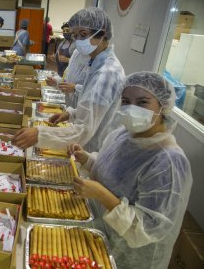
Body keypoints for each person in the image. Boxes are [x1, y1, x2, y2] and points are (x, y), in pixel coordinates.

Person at [69, 72, 192, 269]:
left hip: (128, 257)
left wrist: (100, 194)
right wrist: (87, 159)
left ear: (163, 107)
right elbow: (111, 172)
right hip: (98, 239)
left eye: (142, 102)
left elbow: (144, 231)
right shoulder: (123, 135)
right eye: (126, 101)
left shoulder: (168, 162)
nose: (131, 108)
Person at [12, 7, 125, 153]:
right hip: (86, 144)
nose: (78, 41)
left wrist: (40, 134)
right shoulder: (95, 62)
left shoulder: (107, 73)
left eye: (83, 34)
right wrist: (71, 114)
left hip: (94, 148)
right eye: (76, 35)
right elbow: (93, 107)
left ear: (102, 34)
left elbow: (84, 130)